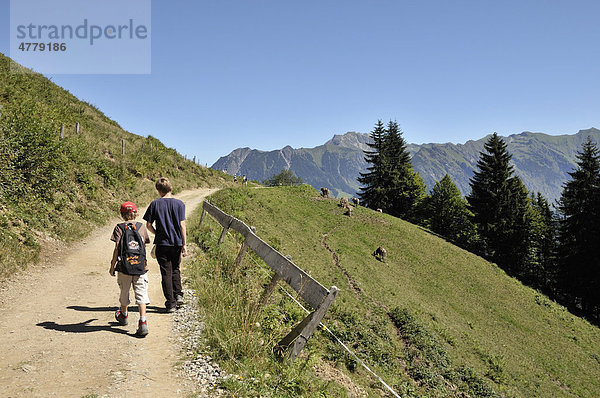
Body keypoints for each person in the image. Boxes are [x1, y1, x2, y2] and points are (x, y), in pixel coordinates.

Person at [143, 177, 187, 312]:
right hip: (176, 242)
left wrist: (158, 233)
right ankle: (178, 294)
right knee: (175, 268)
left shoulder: (155, 204)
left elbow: (148, 225)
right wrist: (184, 244)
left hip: (162, 243)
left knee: (165, 272)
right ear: (171, 188)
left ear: (158, 191)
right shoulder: (179, 204)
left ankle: (171, 303)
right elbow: (182, 225)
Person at [109, 201, 151, 337]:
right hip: (140, 267)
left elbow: (117, 248)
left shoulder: (119, 228)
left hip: (124, 267)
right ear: (136, 213)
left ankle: (124, 315)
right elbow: (143, 246)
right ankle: (143, 322)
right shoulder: (141, 227)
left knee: (124, 291)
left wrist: (112, 265)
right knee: (141, 294)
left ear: (122, 214)